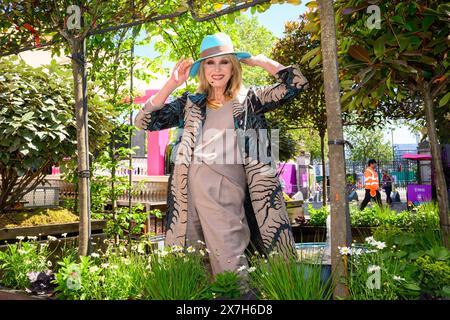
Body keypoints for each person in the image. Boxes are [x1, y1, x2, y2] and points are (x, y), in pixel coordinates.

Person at [135, 33, 308, 281]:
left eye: (224, 62)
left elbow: (296, 84)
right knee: (192, 263)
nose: (217, 69)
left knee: (230, 259)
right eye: (210, 63)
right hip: (187, 193)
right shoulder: (190, 103)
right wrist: (172, 84)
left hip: (228, 189)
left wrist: (261, 62)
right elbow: (144, 121)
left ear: (233, 67)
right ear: (202, 69)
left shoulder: (251, 100)